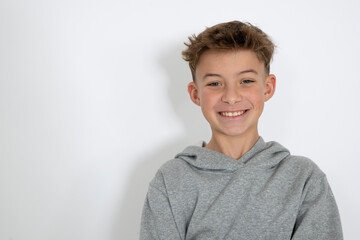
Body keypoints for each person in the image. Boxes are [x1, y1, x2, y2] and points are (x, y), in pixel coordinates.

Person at [140, 21, 343, 240]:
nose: (231, 97)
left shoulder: (303, 178)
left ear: (268, 87)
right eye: (215, 83)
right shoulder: (171, 181)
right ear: (195, 94)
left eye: (246, 81)